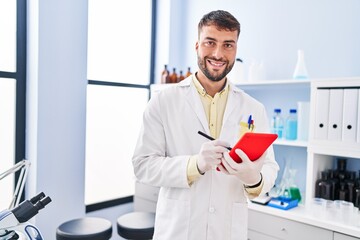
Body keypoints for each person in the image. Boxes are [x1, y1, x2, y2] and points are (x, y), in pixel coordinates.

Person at [132, 10, 279, 240]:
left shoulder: (254, 109)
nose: (218, 54)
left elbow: (270, 167)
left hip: (227, 231)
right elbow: (142, 166)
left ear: (236, 49)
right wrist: (195, 164)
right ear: (197, 46)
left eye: (228, 45)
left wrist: (254, 179)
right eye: (210, 42)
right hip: (178, 231)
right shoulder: (163, 102)